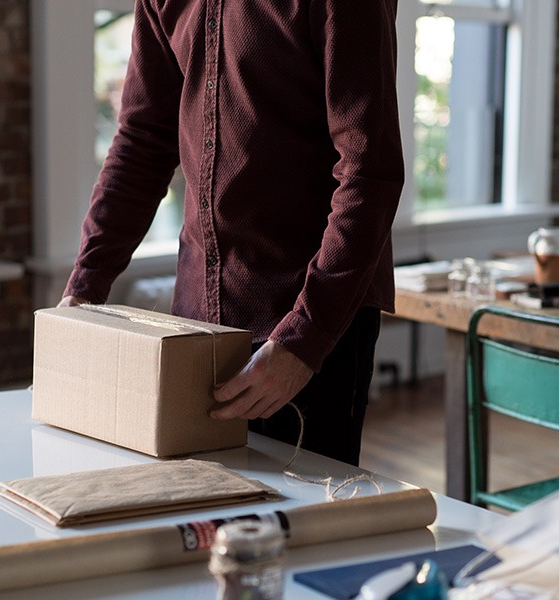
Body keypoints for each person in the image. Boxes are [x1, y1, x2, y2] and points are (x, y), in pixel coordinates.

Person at [58, 2, 404, 468]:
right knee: (198, 522)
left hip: (311, 323)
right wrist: (83, 290)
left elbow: (369, 172)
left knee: (302, 530)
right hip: (195, 326)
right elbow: (142, 141)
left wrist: (303, 341)